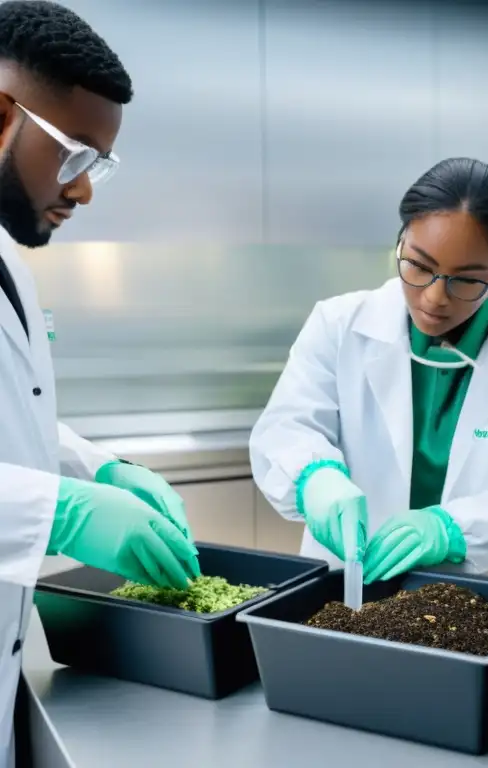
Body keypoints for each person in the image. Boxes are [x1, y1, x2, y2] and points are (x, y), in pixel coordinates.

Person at [0, 2, 200, 764]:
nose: (83, 192)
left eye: (98, 166)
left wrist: (99, 470)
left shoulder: (10, 266)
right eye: (74, 155)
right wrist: (64, 510)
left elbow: (15, 417)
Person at [250, 157, 488, 586]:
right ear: (401, 239)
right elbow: (287, 429)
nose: (434, 298)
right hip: (352, 581)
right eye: (419, 266)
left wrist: (449, 529)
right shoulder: (339, 325)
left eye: (466, 280)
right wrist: (314, 479)